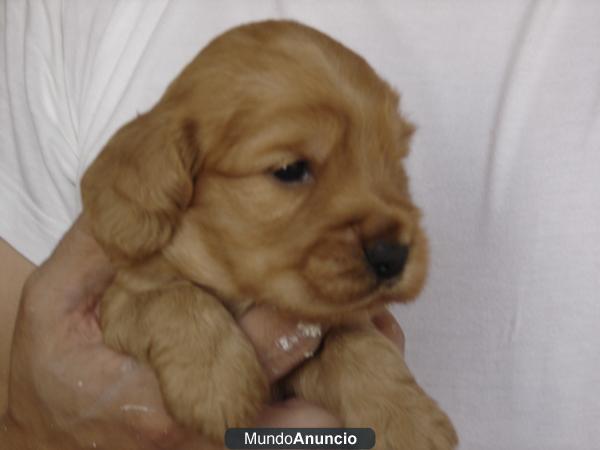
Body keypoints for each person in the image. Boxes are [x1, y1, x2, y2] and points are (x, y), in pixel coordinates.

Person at [2, 1, 600, 449]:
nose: (385, 232)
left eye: (388, 161)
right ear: (163, 169)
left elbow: (323, 362)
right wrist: (33, 425)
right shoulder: (75, 19)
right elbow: (39, 389)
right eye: (291, 170)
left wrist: (369, 387)